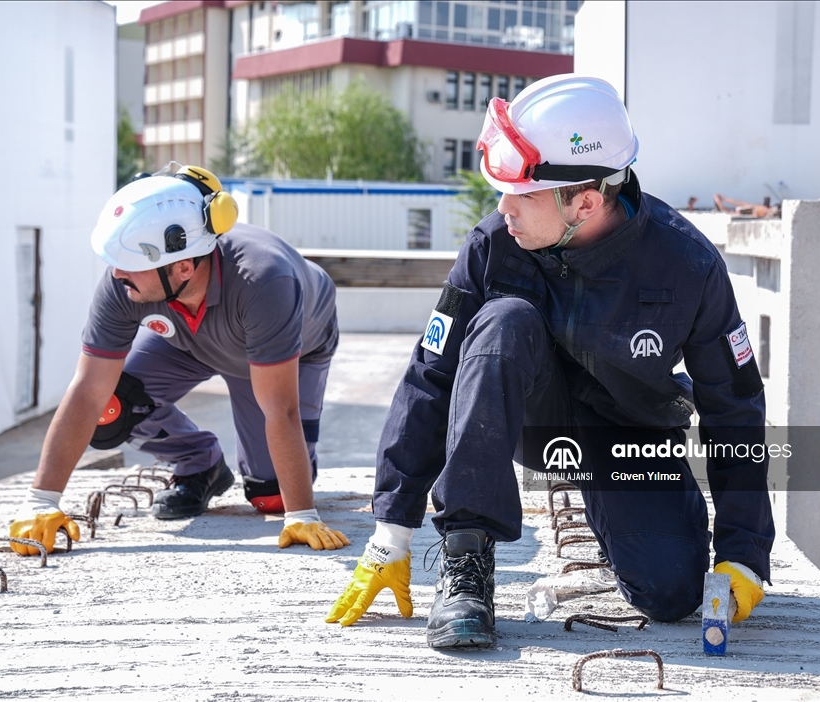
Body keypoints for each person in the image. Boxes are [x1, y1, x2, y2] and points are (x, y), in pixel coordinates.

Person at [326, 74, 773, 647]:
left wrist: (743, 552)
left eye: (521, 192)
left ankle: (619, 514)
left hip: (628, 433)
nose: (502, 206)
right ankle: (466, 563)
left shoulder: (687, 265)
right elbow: (430, 377)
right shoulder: (493, 245)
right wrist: (392, 527)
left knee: (672, 595)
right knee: (503, 321)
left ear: (584, 200)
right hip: (528, 421)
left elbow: (734, 407)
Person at [9, 165, 349, 555]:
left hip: (291, 349)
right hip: (191, 338)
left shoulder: (264, 281)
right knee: (113, 406)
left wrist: (302, 514)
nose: (117, 272)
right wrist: (42, 501)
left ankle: (276, 485)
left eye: (129, 263)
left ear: (183, 266)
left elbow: (281, 409)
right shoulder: (128, 282)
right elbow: (88, 391)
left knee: (272, 498)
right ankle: (200, 464)